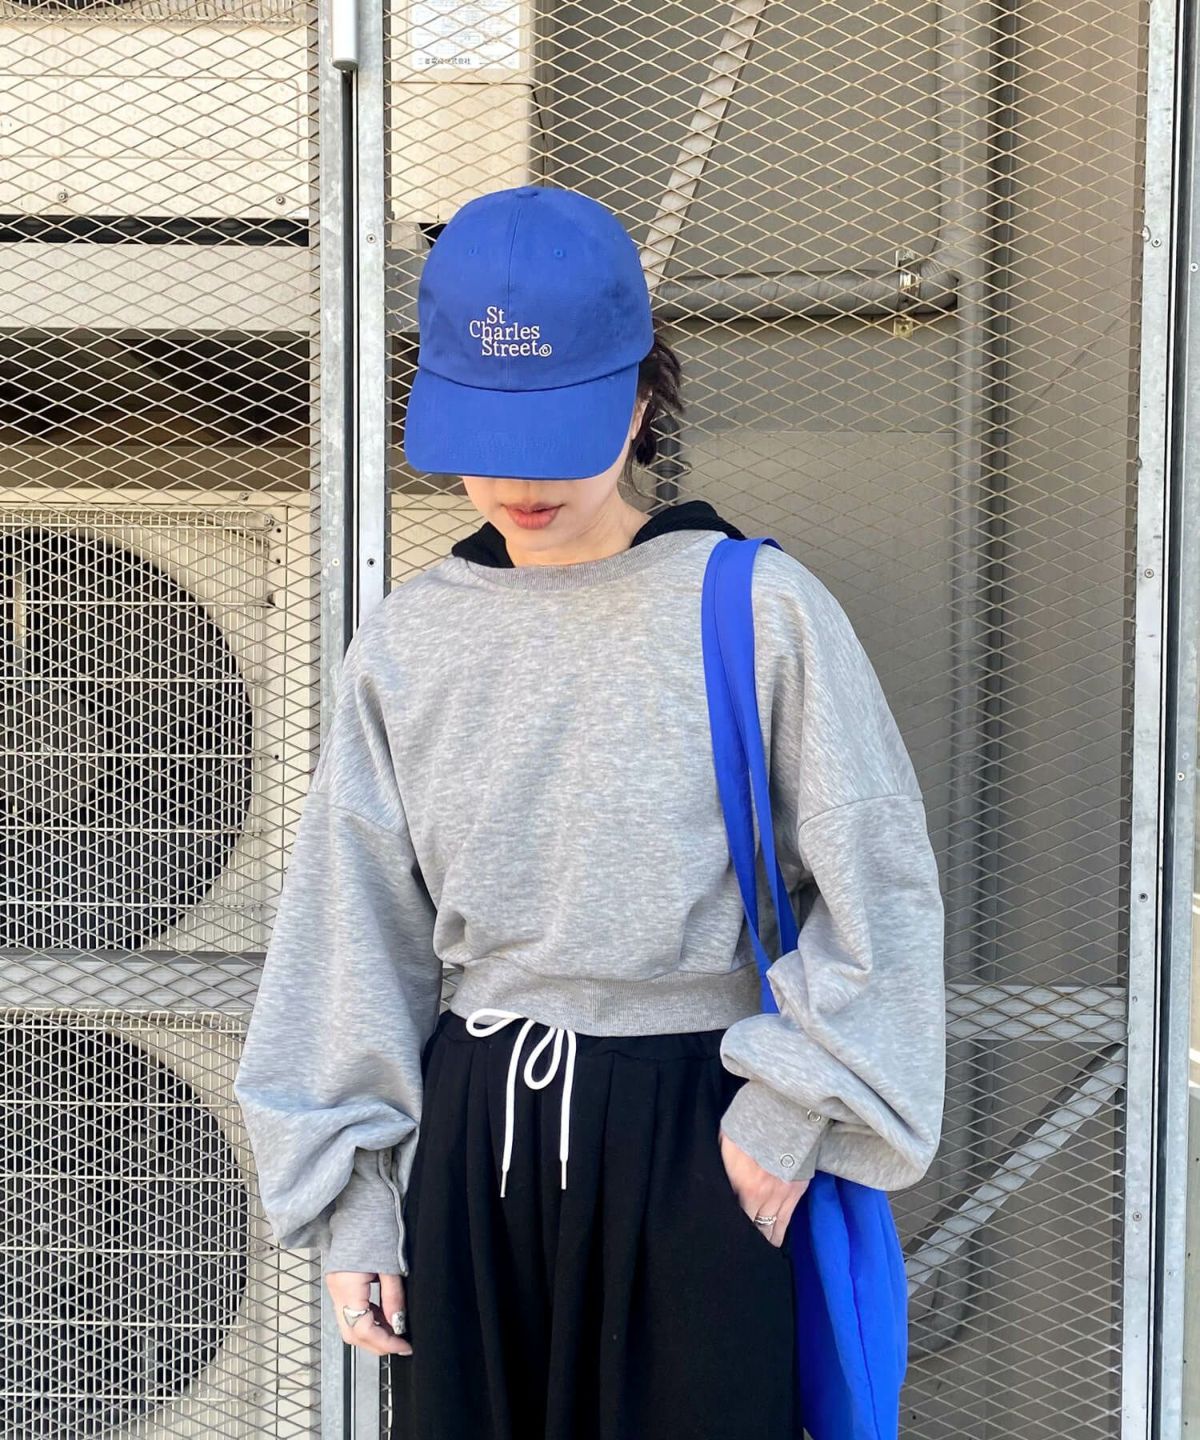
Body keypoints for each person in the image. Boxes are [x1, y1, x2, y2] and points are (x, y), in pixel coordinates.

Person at [232, 184, 946, 1440]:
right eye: (486, 431)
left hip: (698, 1128)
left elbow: (878, 885)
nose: (518, 477)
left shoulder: (756, 608)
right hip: (473, 1140)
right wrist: (352, 1201)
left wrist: (785, 1113)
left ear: (638, 402)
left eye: (556, 429)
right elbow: (351, 928)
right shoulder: (410, 640)